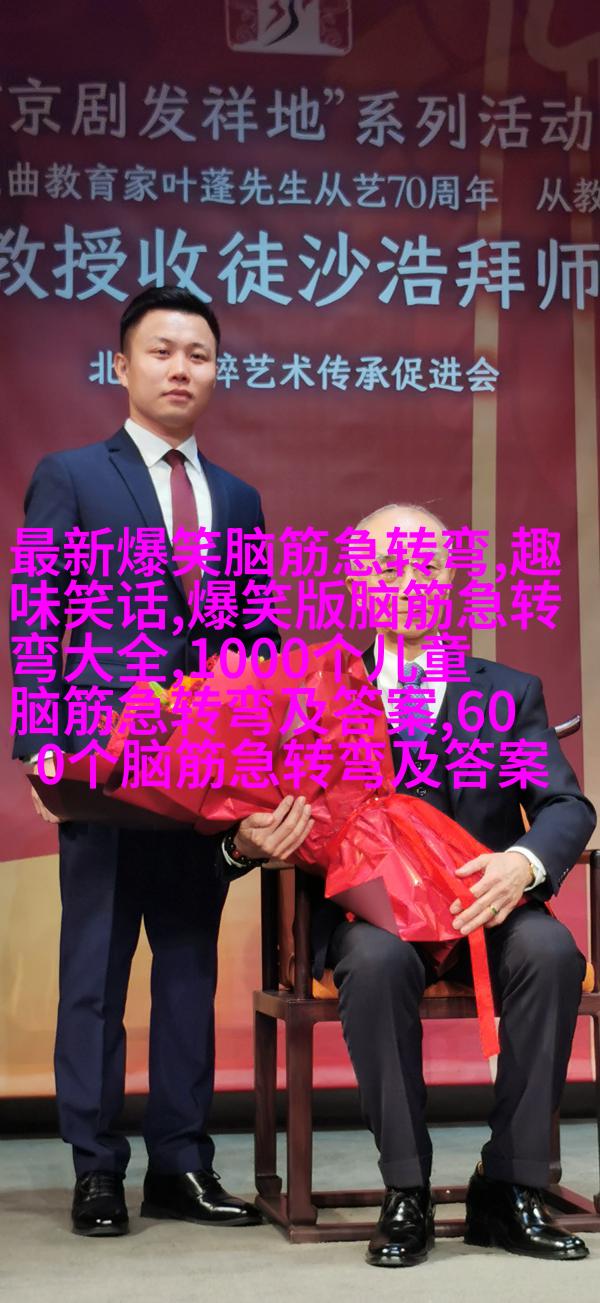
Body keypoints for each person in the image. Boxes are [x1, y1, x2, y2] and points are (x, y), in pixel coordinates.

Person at [230, 502, 596, 1266]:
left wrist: (521, 862)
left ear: (452, 578)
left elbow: (566, 804)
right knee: (372, 962)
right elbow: (279, 808)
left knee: (551, 952)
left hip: (484, 907)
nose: (408, 582)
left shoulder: (508, 690)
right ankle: (407, 1187)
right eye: (388, 567)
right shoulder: (320, 691)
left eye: (426, 565)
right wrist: (253, 835)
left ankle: (510, 1184)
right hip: (376, 918)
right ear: (358, 584)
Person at [10, 285, 280, 1237]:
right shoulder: (73, 476)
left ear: (216, 372)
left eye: (198, 354)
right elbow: (35, 615)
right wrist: (41, 747)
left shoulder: (238, 499)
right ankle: (96, 1167)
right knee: (94, 972)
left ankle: (181, 1163)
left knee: (188, 969)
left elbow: (256, 644)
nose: (180, 368)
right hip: (105, 771)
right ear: (121, 365)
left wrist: (262, 760)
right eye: (161, 351)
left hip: (202, 782)